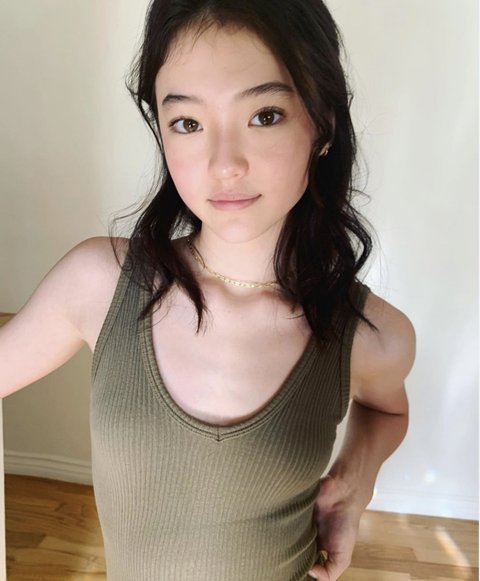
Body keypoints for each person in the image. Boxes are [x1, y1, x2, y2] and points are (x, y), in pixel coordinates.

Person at [0, 0, 416, 579]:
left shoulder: (374, 334)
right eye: (188, 123)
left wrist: (354, 482)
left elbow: (386, 409)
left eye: (265, 115)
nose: (224, 165)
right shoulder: (98, 283)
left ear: (323, 124)